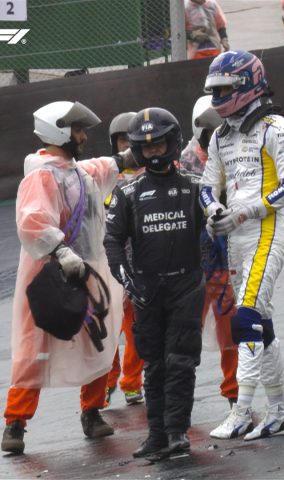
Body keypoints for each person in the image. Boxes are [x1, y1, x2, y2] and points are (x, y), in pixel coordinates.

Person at [1, 101, 127, 454]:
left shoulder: (75, 170)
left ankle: (92, 411)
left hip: (85, 270)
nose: (84, 136)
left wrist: (135, 154)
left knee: (98, 342)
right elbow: (32, 221)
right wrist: (61, 250)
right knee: (34, 349)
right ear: (58, 129)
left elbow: (103, 168)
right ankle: (15, 422)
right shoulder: (42, 175)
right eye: (78, 130)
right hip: (50, 275)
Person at [201, 50, 284, 440]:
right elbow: (207, 187)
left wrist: (245, 212)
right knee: (263, 323)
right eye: (216, 89)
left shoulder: (276, 127)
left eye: (225, 88)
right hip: (234, 239)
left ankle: (242, 410)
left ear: (247, 84)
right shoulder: (219, 136)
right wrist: (214, 212)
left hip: (266, 231)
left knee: (245, 318)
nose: (219, 96)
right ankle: (278, 410)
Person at [104, 108, 206, 459]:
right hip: (146, 290)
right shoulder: (127, 192)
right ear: (137, 150)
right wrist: (127, 280)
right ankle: (157, 435)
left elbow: (218, 226)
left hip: (187, 287)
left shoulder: (196, 185)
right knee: (155, 365)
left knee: (181, 362)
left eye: (160, 145)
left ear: (173, 143)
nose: (155, 153)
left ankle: (178, 432)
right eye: (147, 149)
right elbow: (112, 241)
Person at [179, 95, 239, 408]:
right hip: (192, 260)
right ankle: (175, 390)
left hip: (221, 256)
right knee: (188, 326)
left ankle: (234, 388)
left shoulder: (236, 153)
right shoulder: (188, 162)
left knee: (229, 319)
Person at [104, 112, 145, 407]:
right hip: (108, 263)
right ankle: (107, 379)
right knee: (107, 329)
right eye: (121, 140)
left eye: (131, 140)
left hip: (140, 264)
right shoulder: (104, 177)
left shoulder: (153, 174)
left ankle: (132, 382)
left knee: (136, 329)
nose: (126, 145)